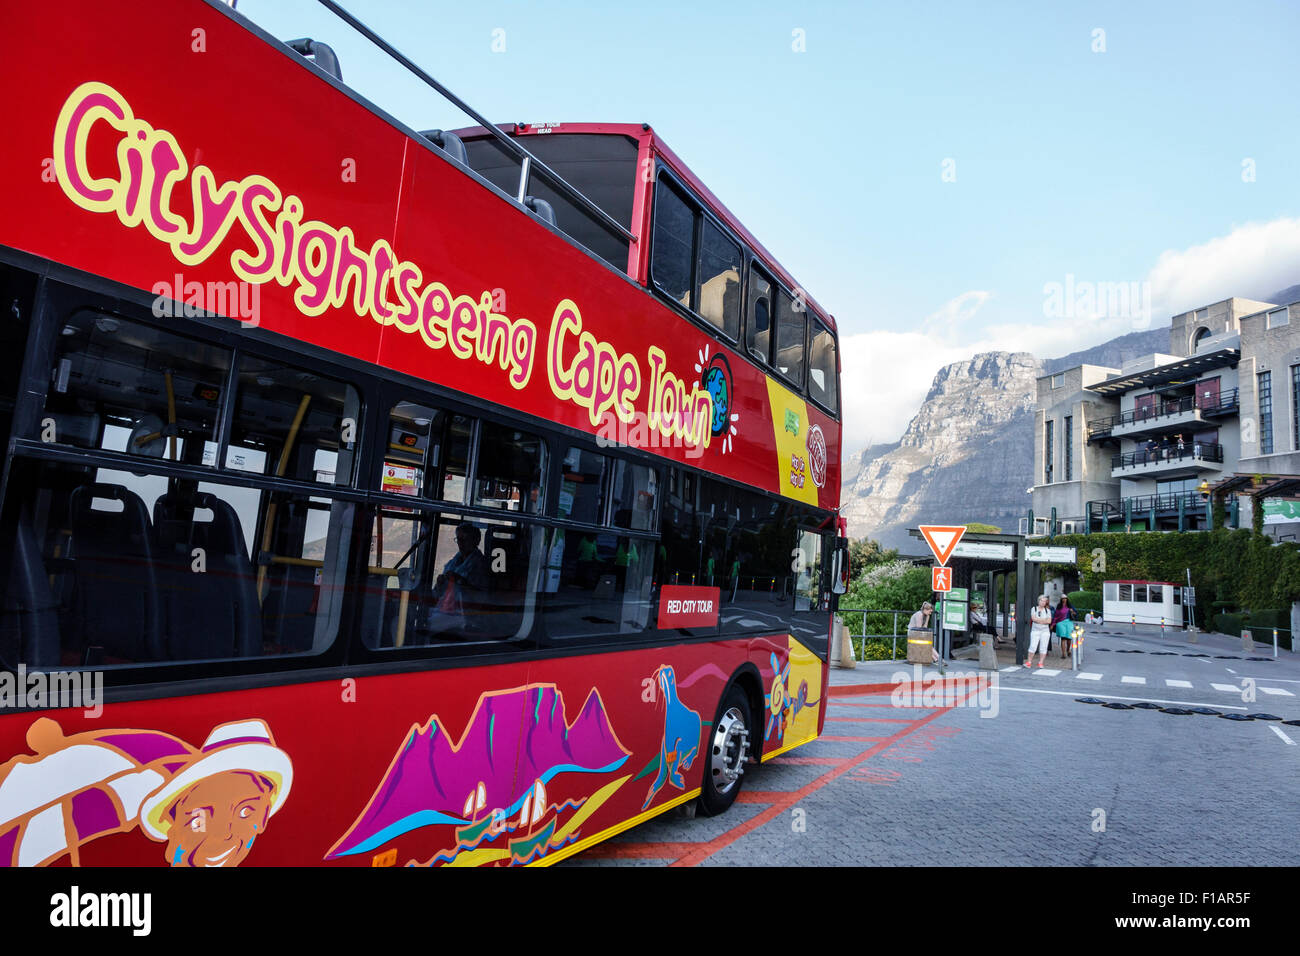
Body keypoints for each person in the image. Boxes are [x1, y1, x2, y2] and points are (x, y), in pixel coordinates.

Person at [427, 522, 490, 635]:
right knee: (416, 616)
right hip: (444, 608)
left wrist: (460, 580)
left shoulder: (481, 565)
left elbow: (482, 596)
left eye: (464, 539)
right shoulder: (454, 562)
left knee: (426, 626)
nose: (460, 543)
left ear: (476, 541)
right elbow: (440, 592)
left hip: (463, 614)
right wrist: (439, 584)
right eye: (458, 539)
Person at [1027, 595, 1052, 668]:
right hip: (1035, 630)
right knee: (1033, 646)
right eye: (1042, 601)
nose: (1043, 602)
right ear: (1039, 601)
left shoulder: (1048, 610)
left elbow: (1049, 621)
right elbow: (1034, 619)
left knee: (1043, 647)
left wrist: (1039, 620)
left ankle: (1041, 662)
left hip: (1045, 631)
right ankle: (1029, 662)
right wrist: (1044, 621)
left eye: (1045, 601)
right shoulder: (1034, 609)